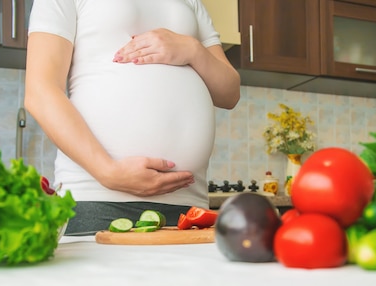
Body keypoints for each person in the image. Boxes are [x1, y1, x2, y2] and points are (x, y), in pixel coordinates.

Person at [24, 0, 241, 235]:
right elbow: (40, 90)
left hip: (188, 207)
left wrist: (192, 49)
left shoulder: (190, 2)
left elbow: (230, 94)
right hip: (97, 198)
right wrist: (108, 172)